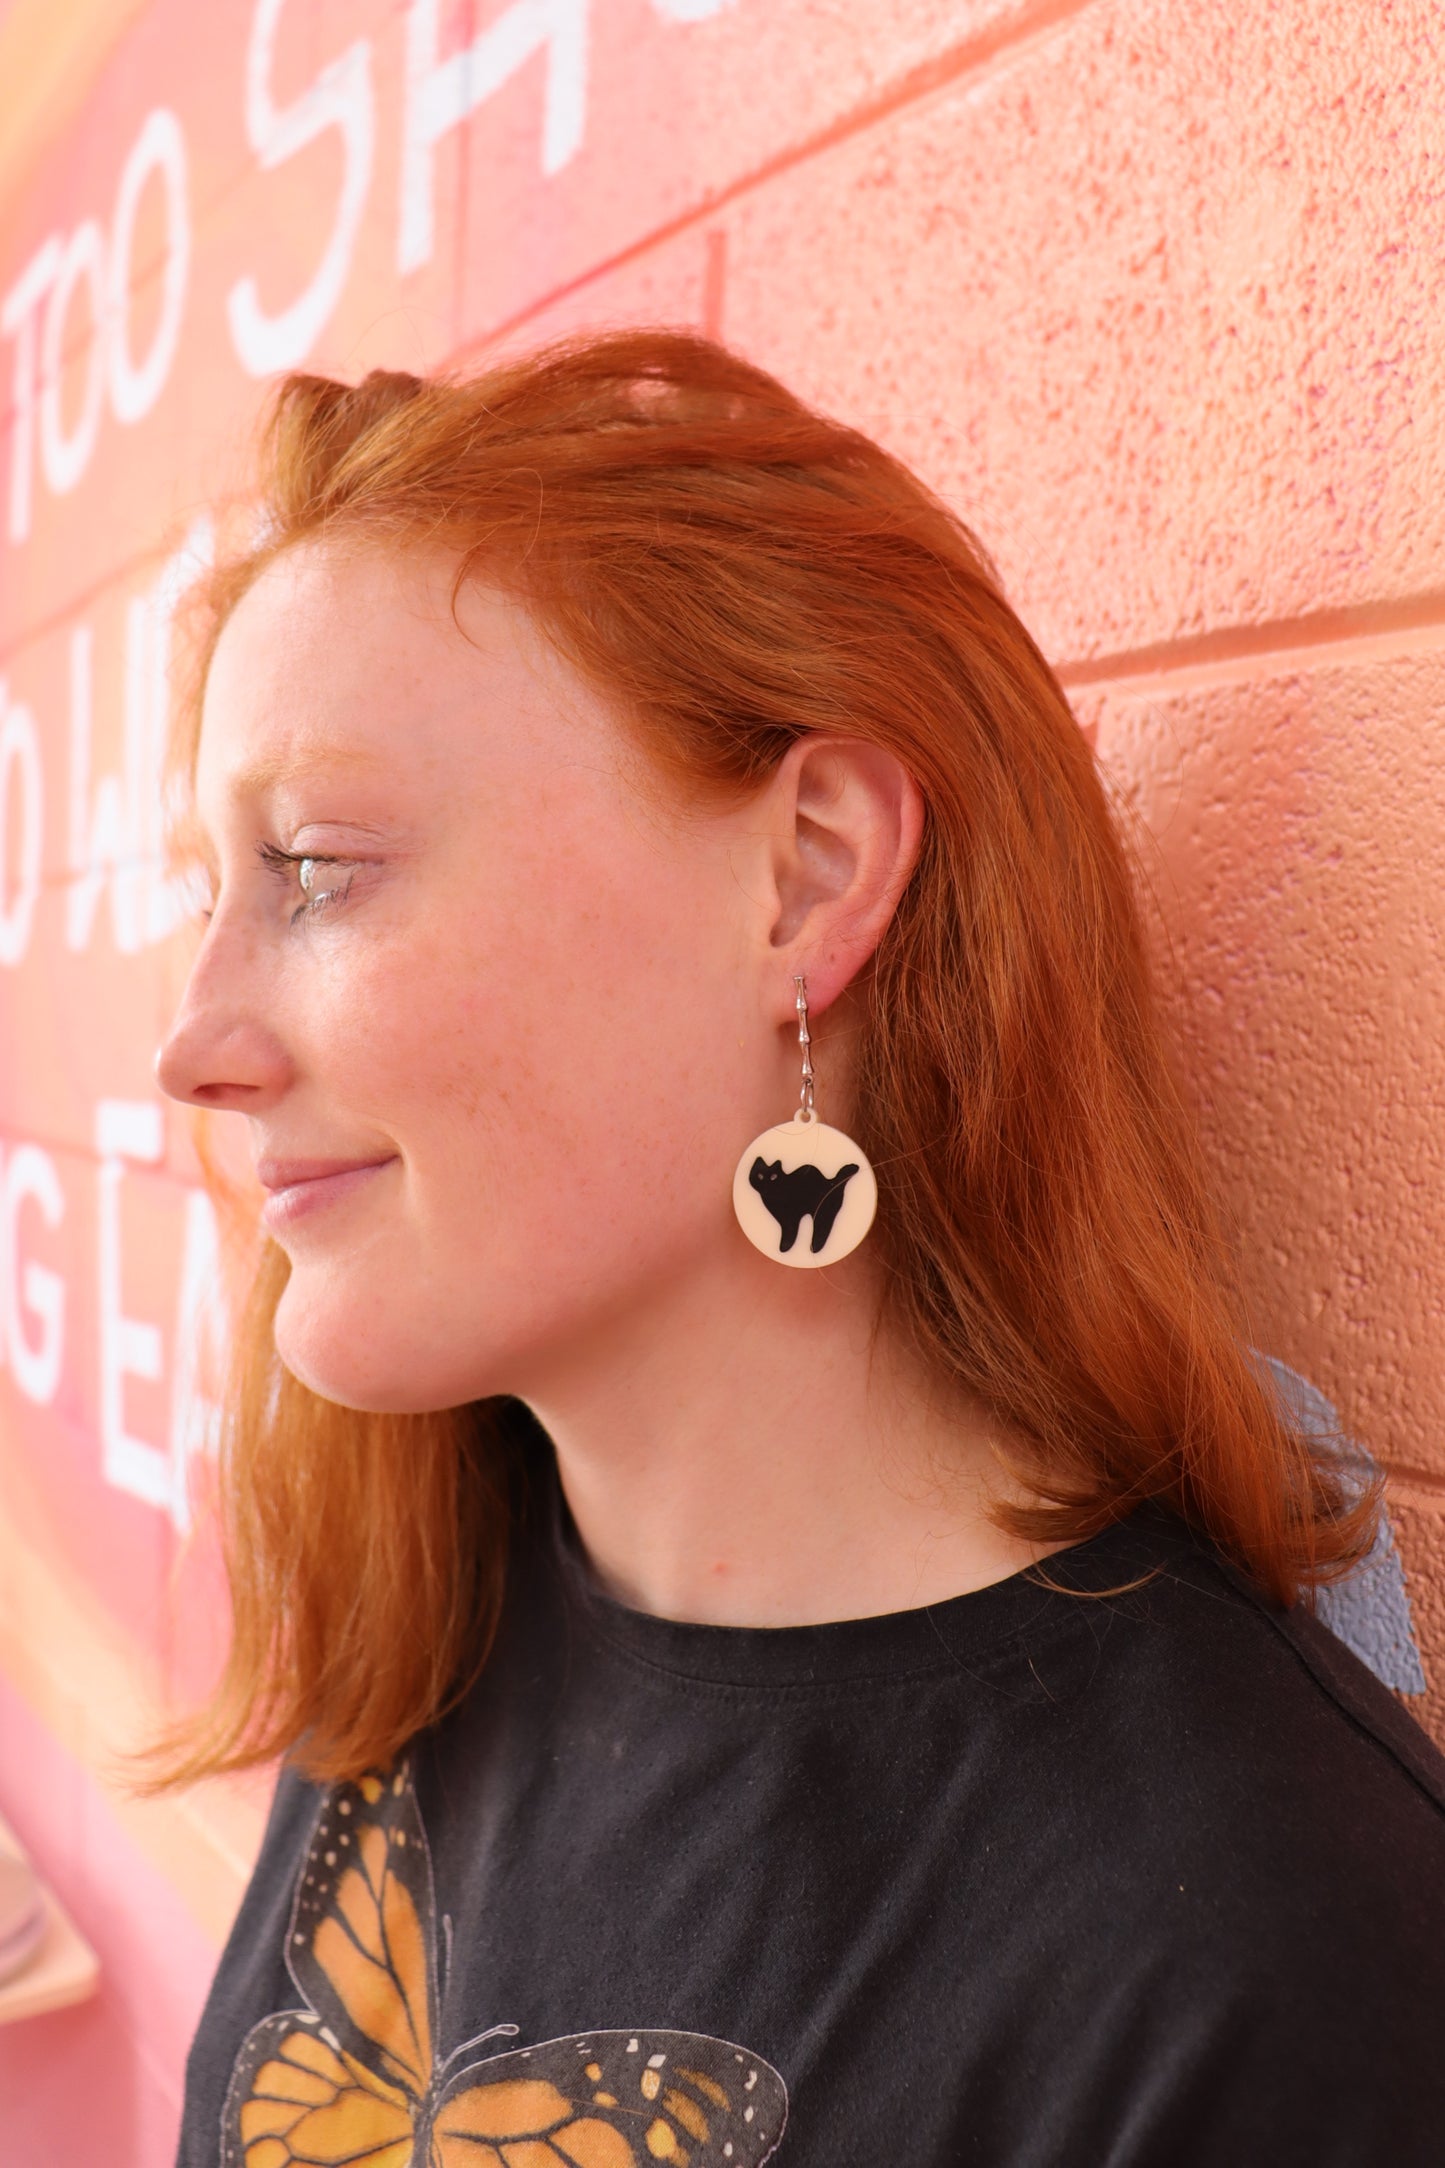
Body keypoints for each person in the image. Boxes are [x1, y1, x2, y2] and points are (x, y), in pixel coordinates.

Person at [155, 331, 1445, 2168]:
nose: (194, 1045)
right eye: (207, 897)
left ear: (808, 878)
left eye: (319, 867)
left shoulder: (1272, 1955)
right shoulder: (432, 1611)